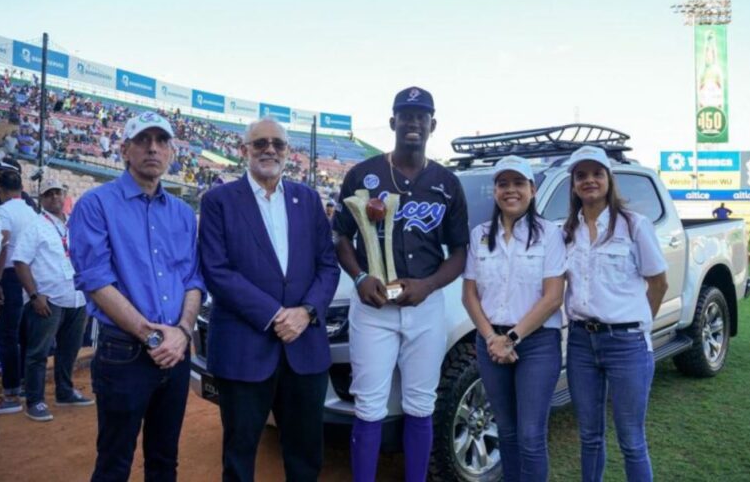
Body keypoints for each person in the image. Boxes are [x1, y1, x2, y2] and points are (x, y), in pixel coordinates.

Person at [333, 87, 469, 482]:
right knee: (370, 406)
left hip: (424, 308)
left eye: (421, 115)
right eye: (405, 115)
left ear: (433, 124)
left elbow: (460, 252)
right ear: (393, 122)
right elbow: (339, 236)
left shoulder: (446, 181)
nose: (413, 122)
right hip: (373, 309)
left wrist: (428, 286)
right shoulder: (363, 174)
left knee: (420, 404)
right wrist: (358, 277)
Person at [199, 118, 340, 482]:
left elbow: (328, 264)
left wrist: (307, 312)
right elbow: (217, 271)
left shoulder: (307, 199)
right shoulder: (218, 201)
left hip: (304, 349)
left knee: (305, 454)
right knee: (240, 454)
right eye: (260, 143)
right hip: (244, 349)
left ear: (288, 153)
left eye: (277, 144)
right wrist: (277, 315)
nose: (269, 150)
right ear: (244, 150)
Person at [69, 111, 205, 481]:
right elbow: (96, 280)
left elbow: (193, 278)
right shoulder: (96, 204)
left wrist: (182, 330)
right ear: (125, 149)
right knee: (114, 461)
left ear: (171, 153)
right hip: (125, 351)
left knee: (165, 460)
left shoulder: (181, 212)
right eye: (143, 140)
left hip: (176, 350)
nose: (153, 148)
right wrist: (154, 336)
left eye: (161, 141)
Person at [563, 146, 669, 482]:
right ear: (574, 184)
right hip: (580, 342)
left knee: (631, 440)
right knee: (590, 436)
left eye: (597, 174)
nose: (589, 181)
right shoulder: (565, 231)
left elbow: (659, 283)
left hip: (627, 343)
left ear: (609, 178)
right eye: (581, 175)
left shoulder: (634, 225)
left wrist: (639, 326)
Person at [462, 156, 565, 481]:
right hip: (490, 344)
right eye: (503, 184)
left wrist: (512, 338)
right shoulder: (479, 235)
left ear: (532, 190)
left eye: (518, 183)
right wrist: (492, 337)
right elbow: (469, 295)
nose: (511, 190)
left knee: (531, 434)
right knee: (505, 430)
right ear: (494, 191)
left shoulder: (550, 234)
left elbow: (553, 297)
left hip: (536, 345)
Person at [14, 179, 93, 422]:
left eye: (58, 192)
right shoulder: (35, 226)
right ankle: (35, 400)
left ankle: (65, 391)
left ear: (65, 195)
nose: (55, 198)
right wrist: (35, 295)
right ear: (42, 200)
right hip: (49, 299)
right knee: (38, 353)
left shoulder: (73, 225)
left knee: (69, 351)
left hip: (76, 297)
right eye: (49, 194)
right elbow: (20, 262)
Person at [0, 170, 40, 415]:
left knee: (7, 335)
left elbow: (2, 245)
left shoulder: (2, 212)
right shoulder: (31, 212)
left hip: (11, 274)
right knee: (24, 333)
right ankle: (23, 384)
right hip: (32, 274)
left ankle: (11, 392)